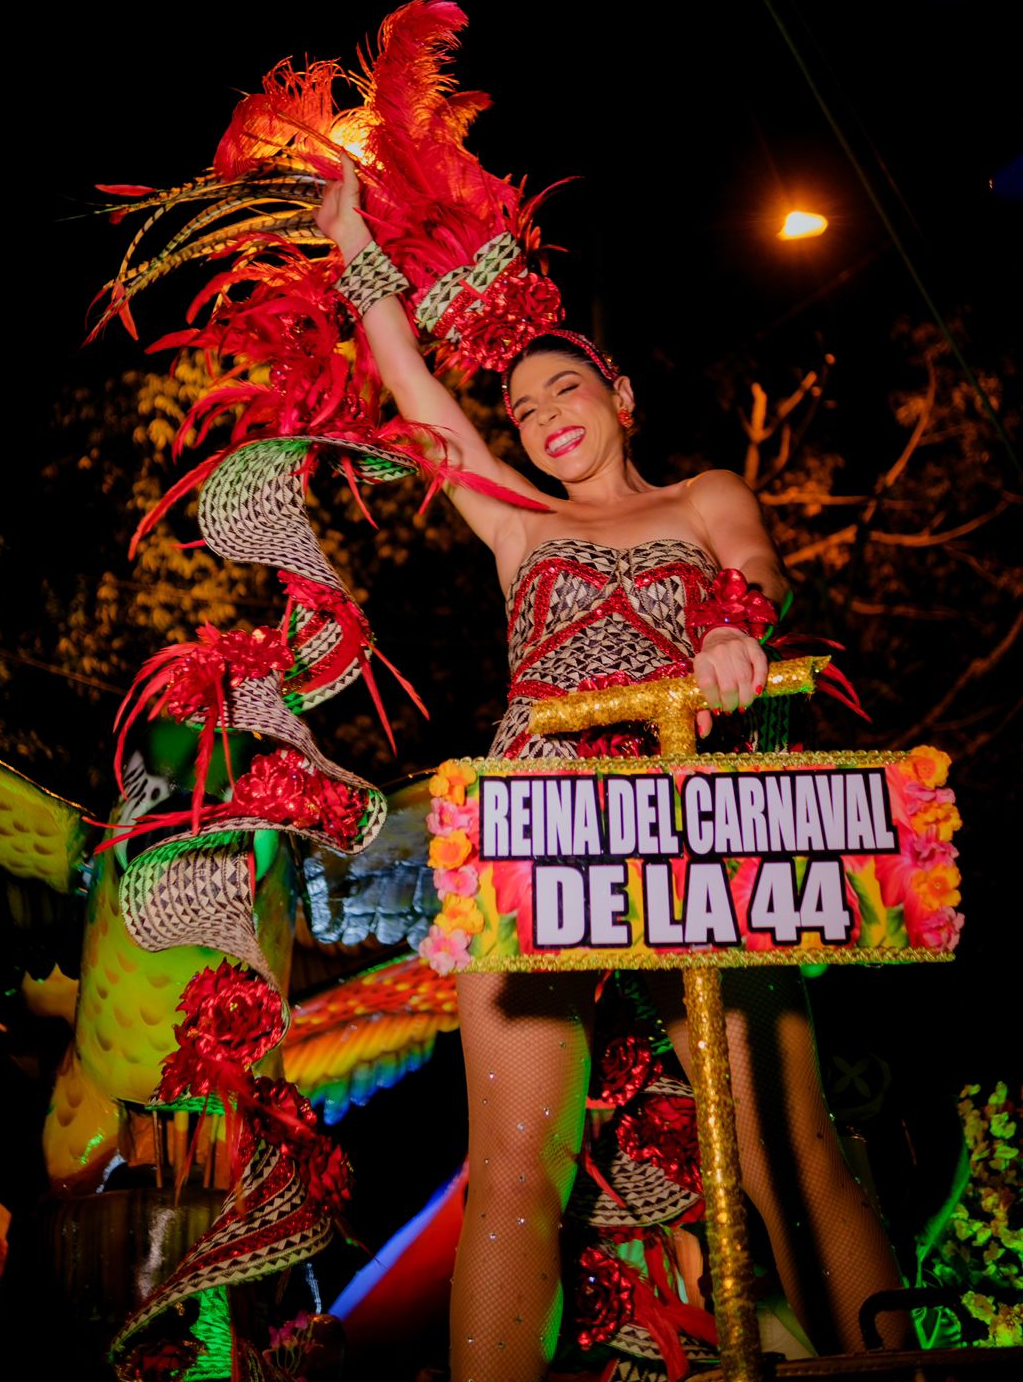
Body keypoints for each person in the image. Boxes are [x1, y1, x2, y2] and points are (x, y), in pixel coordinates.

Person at [319, 156, 908, 1380]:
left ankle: (892, 1373)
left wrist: (736, 627)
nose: (542, 417)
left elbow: (760, 571)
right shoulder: (516, 523)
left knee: (789, 1142)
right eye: (524, 409)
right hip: (540, 837)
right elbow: (416, 389)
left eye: (564, 387)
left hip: (698, 824)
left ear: (619, 392)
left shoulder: (703, 494)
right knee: (513, 1170)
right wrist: (347, 243)